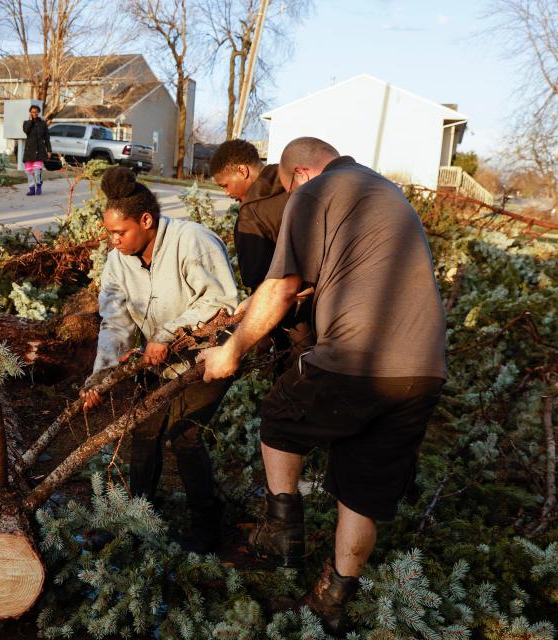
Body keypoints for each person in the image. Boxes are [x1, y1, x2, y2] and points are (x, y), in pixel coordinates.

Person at [199, 137, 446, 634]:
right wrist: (254, 306)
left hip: (356, 357)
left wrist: (231, 349)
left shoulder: (312, 193)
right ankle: (331, 601)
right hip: (423, 369)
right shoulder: (385, 192)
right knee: (361, 488)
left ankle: (282, 532)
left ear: (300, 175)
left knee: (279, 418)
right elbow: (330, 276)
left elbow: (284, 284)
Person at [80, 166, 239, 553]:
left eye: (121, 233)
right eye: (109, 234)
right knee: (144, 431)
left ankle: (207, 528)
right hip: (158, 362)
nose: (113, 241)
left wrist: (167, 334)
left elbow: (222, 302)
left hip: (210, 356)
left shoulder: (192, 241)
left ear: (146, 221)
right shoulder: (119, 261)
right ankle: (135, 519)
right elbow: (115, 320)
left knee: (183, 434)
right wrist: (101, 376)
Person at [209, 139, 313, 366]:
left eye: (224, 185)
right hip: (331, 306)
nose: (226, 193)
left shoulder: (250, 214)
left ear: (243, 171)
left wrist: (262, 335)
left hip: (295, 321)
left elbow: (260, 283)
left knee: (294, 382)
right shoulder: (300, 184)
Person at [22, 104, 51, 196]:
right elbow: (26, 131)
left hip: (40, 150)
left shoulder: (43, 124)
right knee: (29, 172)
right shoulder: (26, 123)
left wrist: (49, 150)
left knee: (38, 171)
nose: (34, 113)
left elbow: (47, 138)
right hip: (29, 151)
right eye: (32, 112)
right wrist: (30, 120)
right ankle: (31, 189)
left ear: (38, 112)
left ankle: (38, 185)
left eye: (36, 112)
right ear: (30, 112)